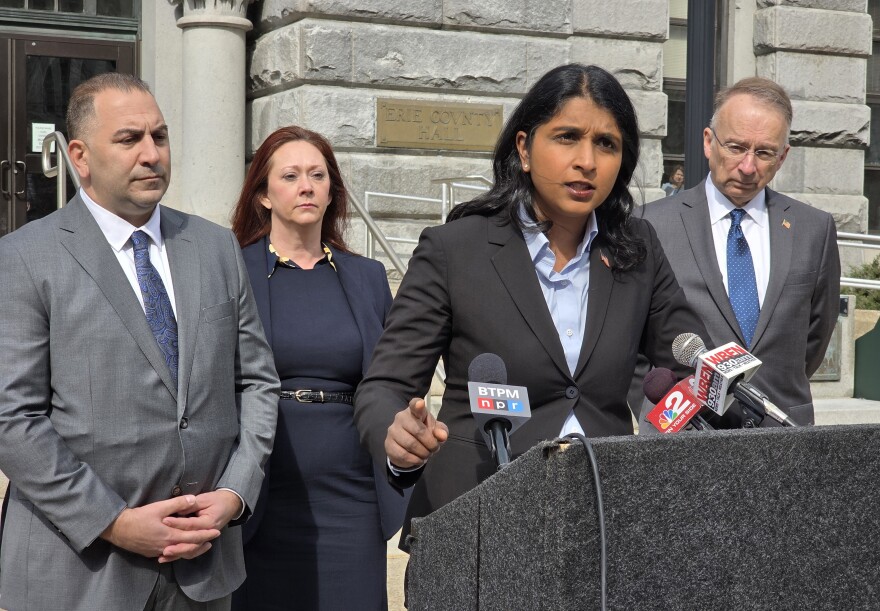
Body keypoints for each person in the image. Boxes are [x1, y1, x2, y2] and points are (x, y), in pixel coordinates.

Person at [353, 63, 708, 546]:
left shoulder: (636, 249)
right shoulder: (455, 248)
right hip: (474, 521)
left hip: (606, 523)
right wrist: (397, 438)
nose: (587, 160)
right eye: (566, 137)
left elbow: (688, 363)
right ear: (523, 148)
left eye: (606, 144)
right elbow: (385, 387)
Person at [0, 72, 279, 610]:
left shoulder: (215, 247)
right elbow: (14, 419)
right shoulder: (24, 258)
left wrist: (234, 494)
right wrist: (115, 522)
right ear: (79, 156)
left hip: (202, 571)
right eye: (129, 139)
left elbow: (258, 383)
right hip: (78, 574)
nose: (152, 154)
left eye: (160, 136)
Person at [229, 126, 408, 611]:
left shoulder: (366, 276)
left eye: (317, 175)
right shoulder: (231, 269)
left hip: (350, 493)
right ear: (264, 195)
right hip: (261, 488)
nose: (306, 185)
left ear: (332, 190)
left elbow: (389, 380)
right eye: (290, 176)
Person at [637, 77, 840, 428]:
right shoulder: (649, 225)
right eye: (735, 147)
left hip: (782, 438)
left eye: (763, 153)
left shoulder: (814, 230)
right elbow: (631, 344)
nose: (748, 167)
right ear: (707, 142)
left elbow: (814, 339)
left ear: (782, 157)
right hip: (682, 441)